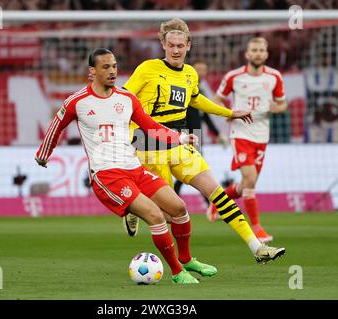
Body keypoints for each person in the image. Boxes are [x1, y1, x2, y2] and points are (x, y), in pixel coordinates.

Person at [35, 48, 218, 284]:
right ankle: (176, 272)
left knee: (179, 208)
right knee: (155, 216)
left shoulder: (127, 99)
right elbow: (56, 126)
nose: (112, 71)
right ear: (92, 72)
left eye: (114, 66)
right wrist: (44, 154)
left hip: (134, 169)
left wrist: (179, 138)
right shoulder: (77, 102)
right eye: (105, 67)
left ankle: (187, 259)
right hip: (107, 174)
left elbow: (150, 126)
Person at [122, 18, 285, 264]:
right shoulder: (147, 69)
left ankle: (257, 247)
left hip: (181, 143)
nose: (175, 50)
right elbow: (124, 98)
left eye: (180, 45)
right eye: (171, 45)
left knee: (216, 193)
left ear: (189, 45)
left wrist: (230, 112)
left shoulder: (190, 74)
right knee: (169, 213)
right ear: (163, 45)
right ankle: (133, 207)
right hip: (149, 143)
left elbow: (197, 100)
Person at [209, 37, 288, 242]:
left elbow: (282, 104)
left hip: (262, 135)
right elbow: (216, 100)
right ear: (247, 54)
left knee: (246, 185)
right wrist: (229, 113)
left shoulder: (274, 77)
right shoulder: (234, 77)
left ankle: (217, 202)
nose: (258, 53)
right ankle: (256, 229)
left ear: (266, 54)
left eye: (261, 50)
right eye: (254, 50)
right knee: (251, 179)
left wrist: (274, 108)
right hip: (240, 133)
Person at [173, 59, 228, 206]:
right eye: (197, 69)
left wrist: (217, 134)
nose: (200, 72)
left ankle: (172, 200)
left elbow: (204, 116)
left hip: (195, 136)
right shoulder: (181, 88)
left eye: (203, 69)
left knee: (191, 170)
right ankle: (210, 204)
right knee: (195, 170)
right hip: (183, 136)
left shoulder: (199, 91)